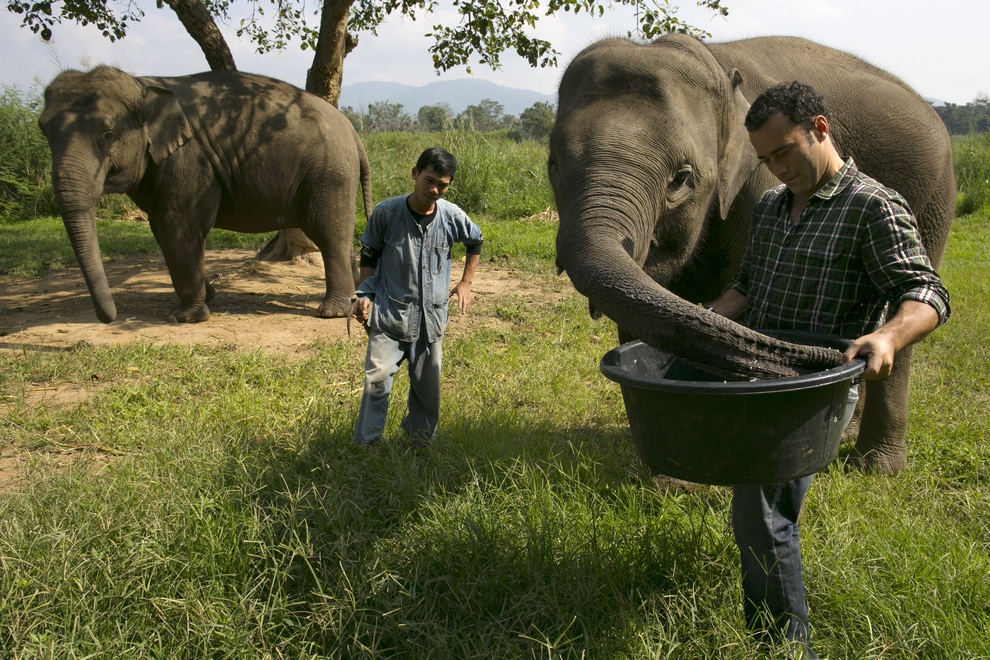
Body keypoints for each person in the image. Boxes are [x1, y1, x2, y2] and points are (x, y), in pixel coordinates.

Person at [703, 81, 950, 655]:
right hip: (763, 377)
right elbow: (748, 286)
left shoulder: (872, 206)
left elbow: (926, 291)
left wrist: (889, 335)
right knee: (760, 507)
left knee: (764, 514)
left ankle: (784, 648)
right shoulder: (771, 207)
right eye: (765, 159)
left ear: (820, 128)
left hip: (815, 389)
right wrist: (701, 320)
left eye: (784, 151)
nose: (776, 167)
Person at [350, 147, 484, 448]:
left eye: (443, 184)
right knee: (377, 380)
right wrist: (364, 294)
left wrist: (466, 282)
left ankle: (420, 444)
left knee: (428, 389)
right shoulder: (386, 213)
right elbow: (369, 254)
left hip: (431, 320)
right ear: (415, 174)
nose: (434, 189)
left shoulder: (451, 217)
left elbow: (476, 241)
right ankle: (367, 445)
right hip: (390, 314)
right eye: (429, 180)